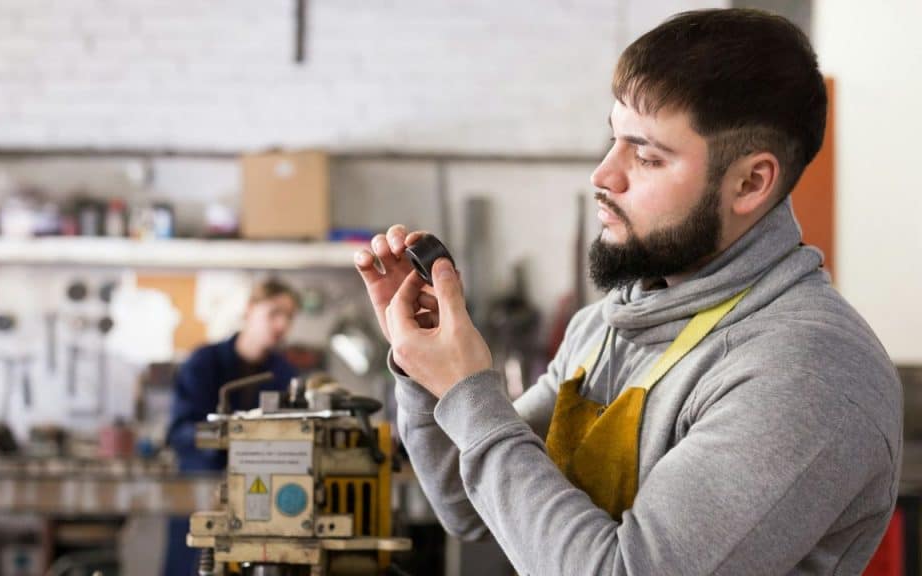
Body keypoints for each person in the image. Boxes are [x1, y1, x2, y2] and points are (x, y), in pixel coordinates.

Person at [354, 9, 902, 575]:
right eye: (613, 139)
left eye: (646, 156)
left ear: (750, 183)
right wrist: (426, 367)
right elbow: (476, 508)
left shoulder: (807, 372)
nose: (603, 175)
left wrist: (468, 390)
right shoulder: (608, 326)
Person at [162, 277, 301, 576]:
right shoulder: (203, 363)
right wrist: (230, 439)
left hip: (261, 503)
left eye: (289, 317)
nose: (281, 325)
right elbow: (179, 432)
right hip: (199, 496)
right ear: (250, 309)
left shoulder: (286, 374)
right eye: (274, 313)